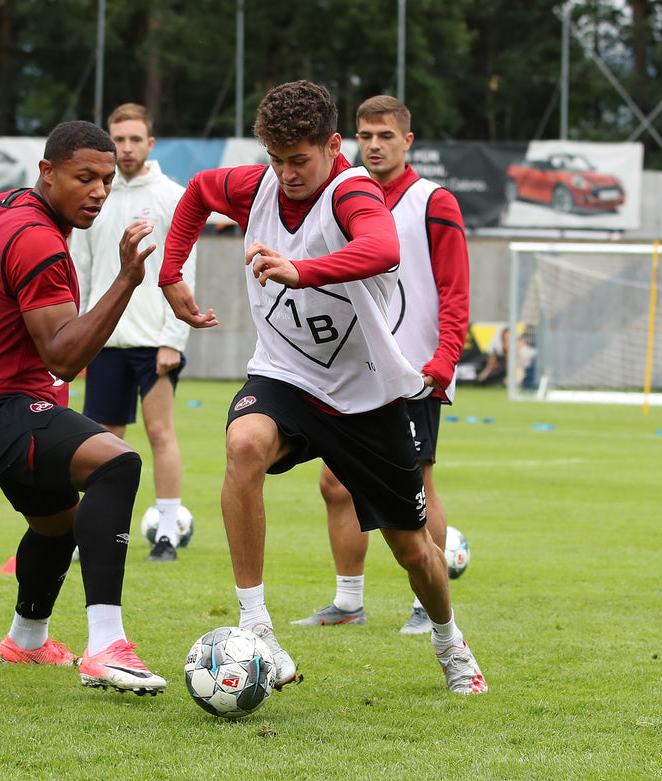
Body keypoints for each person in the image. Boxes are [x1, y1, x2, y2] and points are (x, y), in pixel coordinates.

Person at [159, 80, 487, 695]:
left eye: (299, 160)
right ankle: (255, 625)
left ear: (334, 146)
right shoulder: (258, 187)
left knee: (415, 553)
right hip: (285, 376)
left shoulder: (352, 191)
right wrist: (171, 272)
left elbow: (383, 246)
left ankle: (449, 641)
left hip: (365, 395)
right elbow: (201, 190)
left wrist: (301, 271)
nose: (286, 174)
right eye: (275, 160)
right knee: (243, 446)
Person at [0, 120, 167, 695]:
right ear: (47, 173)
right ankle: (107, 646)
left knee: (58, 523)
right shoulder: (39, 241)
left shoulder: (1, 209)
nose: (98, 191)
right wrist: (125, 279)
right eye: (83, 178)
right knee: (117, 464)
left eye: (106, 179)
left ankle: (25, 641)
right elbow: (65, 357)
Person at [292, 95, 471, 637]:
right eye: (365, 135)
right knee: (333, 482)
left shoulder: (431, 201)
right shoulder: (341, 196)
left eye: (385, 136)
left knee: (418, 483)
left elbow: (454, 290)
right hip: (351, 367)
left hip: (414, 369)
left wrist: (444, 359)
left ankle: (428, 603)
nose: (373, 144)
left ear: (407, 141)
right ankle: (349, 600)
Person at [69, 103, 194, 564]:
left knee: (160, 433)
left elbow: (185, 268)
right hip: (103, 341)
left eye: (134, 139)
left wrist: (172, 339)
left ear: (150, 143)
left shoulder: (171, 195)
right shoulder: (92, 196)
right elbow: (80, 269)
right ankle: (96, 533)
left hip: (154, 341)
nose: (125, 148)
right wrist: (78, 333)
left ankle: (166, 534)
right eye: (118, 140)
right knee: (102, 441)